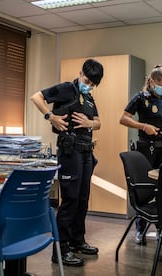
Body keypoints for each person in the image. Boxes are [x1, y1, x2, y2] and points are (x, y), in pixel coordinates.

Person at [30, 58, 104, 267]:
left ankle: (77, 241)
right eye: (87, 80)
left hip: (86, 152)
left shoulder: (88, 97)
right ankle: (61, 250)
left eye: (92, 83)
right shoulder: (66, 89)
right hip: (70, 151)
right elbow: (36, 97)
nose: (88, 85)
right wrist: (50, 116)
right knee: (70, 200)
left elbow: (98, 122)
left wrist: (91, 123)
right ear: (80, 73)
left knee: (82, 199)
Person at [120, 64, 162, 245]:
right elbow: (123, 118)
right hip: (146, 150)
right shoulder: (141, 98)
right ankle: (140, 230)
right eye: (161, 84)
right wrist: (143, 126)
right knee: (145, 189)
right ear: (151, 81)